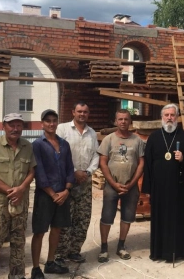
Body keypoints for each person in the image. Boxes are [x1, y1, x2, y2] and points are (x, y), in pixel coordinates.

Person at [0, 113, 36, 279]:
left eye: (19, 125)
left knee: (18, 243)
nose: (15, 129)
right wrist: (11, 192)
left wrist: (22, 188)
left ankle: (17, 276)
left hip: (20, 204)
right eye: (12, 125)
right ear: (4, 126)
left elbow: (31, 171)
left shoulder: (27, 146)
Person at [141, 103, 184, 262]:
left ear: (177, 117)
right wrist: (147, 188)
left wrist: (183, 159)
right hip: (158, 187)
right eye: (166, 115)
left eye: (172, 115)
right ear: (161, 118)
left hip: (178, 187)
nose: (169, 118)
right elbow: (148, 163)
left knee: (177, 219)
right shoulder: (154, 137)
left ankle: (178, 251)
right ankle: (159, 252)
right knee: (160, 219)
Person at [30, 109, 75, 279]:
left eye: (54, 120)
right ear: (42, 123)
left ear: (57, 122)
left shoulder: (64, 144)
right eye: (47, 120)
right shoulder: (37, 145)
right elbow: (39, 172)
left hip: (63, 195)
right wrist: (52, 193)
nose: (51, 124)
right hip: (45, 195)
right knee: (40, 231)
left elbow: (70, 168)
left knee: (56, 229)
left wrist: (66, 190)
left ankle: (50, 262)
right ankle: (35, 268)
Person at [97, 109, 145, 263]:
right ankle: (104, 248)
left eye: (126, 119)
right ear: (115, 121)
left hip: (130, 186)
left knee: (127, 217)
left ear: (130, 121)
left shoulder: (137, 140)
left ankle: (121, 246)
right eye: (120, 119)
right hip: (112, 186)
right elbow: (103, 162)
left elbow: (141, 163)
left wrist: (132, 183)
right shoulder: (109, 140)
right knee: (107, 217)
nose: (123, 122)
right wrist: (112, 183)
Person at [55, 101, 100, 264]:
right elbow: (59, 153)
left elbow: (96, 155)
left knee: (82, 219)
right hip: (66, 182)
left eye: (85, 112)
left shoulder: (92, 133)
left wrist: (87, 172)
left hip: (85, 183)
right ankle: (60, 254)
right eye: (79, 111)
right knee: (65, 219)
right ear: (73, 112)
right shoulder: (62, 129)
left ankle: (74, 251)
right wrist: (74, 172)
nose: (82, 114)